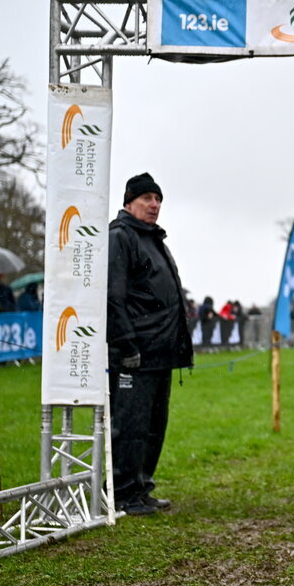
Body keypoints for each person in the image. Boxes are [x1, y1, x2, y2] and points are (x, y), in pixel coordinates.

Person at [106, 172, 193, 516]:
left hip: (160, 353)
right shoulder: (121, 237)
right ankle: (122, 494)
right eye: (147, 199)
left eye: (158, 200)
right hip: (135, 354)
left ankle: (141, 488)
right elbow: (113, 296)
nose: (154, 205)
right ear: (129, 202)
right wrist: (126, 346)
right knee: (130, 426)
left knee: (154, 428)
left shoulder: (153, 239)